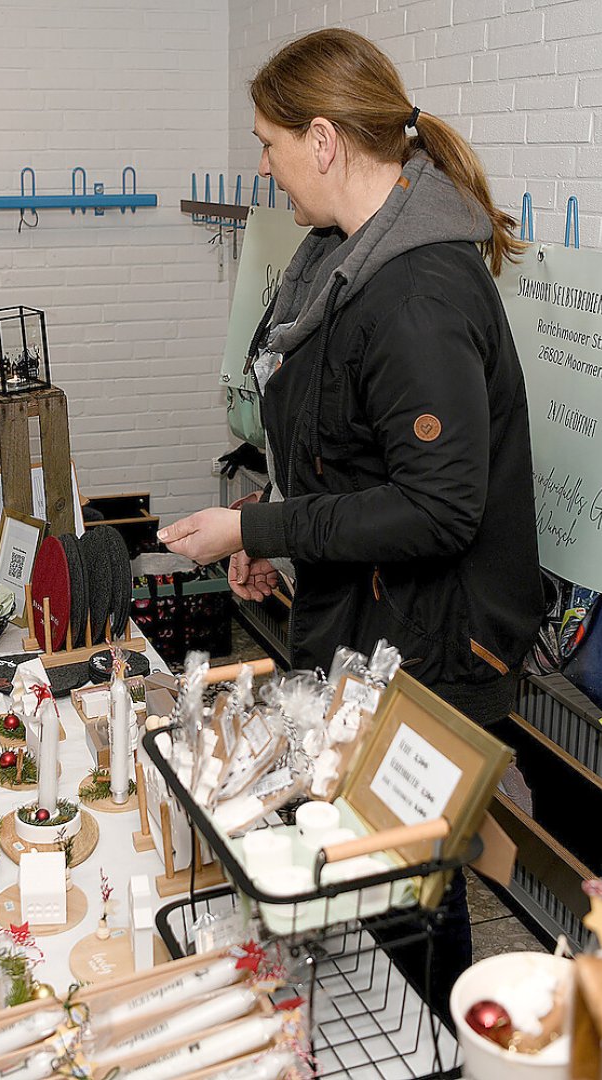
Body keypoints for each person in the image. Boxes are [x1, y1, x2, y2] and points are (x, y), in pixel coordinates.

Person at [160, 27, 545, 1010]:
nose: (264, 164)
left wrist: (258, 533)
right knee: (362, 863)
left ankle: (434, 1044)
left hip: (429, 651)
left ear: (323, 139)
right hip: (367, 622)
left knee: (408, 884)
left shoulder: (417, 291)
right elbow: (347, 453)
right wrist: (271, 527)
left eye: (269, 142)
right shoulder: (341, 260)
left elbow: (439, 507)